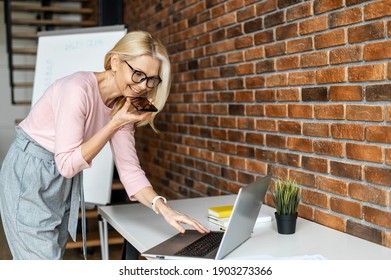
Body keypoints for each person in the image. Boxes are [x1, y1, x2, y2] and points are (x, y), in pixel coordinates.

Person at [0, 30, 209, 260]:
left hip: (61, 179)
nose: (143, 86)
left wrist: (163, 208)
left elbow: (130, 171)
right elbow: (68, 164)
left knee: (51, 260)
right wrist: (114, 123)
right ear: (115, 61)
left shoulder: (123, 105)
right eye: (138, 74)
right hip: (31, 172)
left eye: (152, 79)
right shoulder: (77, 89)